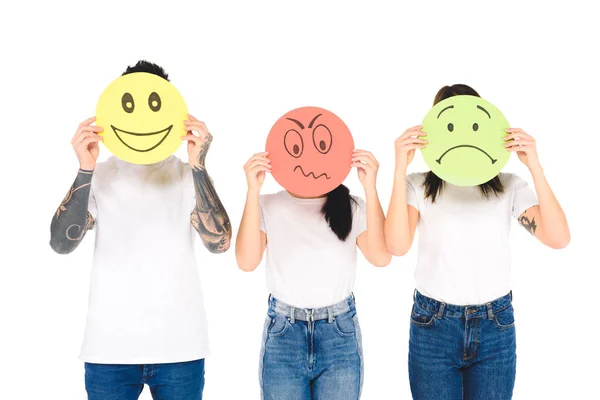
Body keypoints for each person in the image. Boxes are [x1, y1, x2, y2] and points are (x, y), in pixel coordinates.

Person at [49, 60, 231, 400]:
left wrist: (199, 166)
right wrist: (85, 168)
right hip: (109, 351)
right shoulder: (99, 176)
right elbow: (61, 243)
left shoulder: (186, 174)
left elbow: (219, 243)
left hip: (181, 348)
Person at [385, 84, 570, 400]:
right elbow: (397, 245)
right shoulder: (417, 186)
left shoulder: (509, 186)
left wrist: (534, 166)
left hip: (494, 325)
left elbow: (558, 238)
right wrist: (400, 165)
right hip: (433, 324)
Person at [235, 148, 391, 400]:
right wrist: (252, 191)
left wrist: (370, 187)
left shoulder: (352, 207)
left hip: (338, 333)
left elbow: (381, 257)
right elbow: (246, 261)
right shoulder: (267, 204)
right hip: (284, 332)